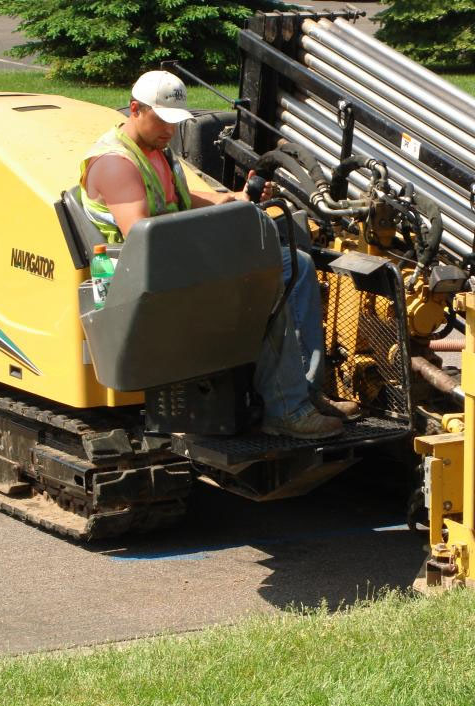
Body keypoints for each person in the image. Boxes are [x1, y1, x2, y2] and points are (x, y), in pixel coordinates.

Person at [80, 70, 348, 439]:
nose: (170, 130)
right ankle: (286, 410)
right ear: (135, 109)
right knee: (264, 281)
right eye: (161, 120)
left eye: (174, 123)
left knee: (297, 264)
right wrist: (218, 233)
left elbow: (179, 200)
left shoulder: (156, 148)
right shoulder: (117, 164)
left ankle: (304, 391)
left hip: (171, 260)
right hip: (144, 277)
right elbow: (142, 235)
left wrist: (229, 199)